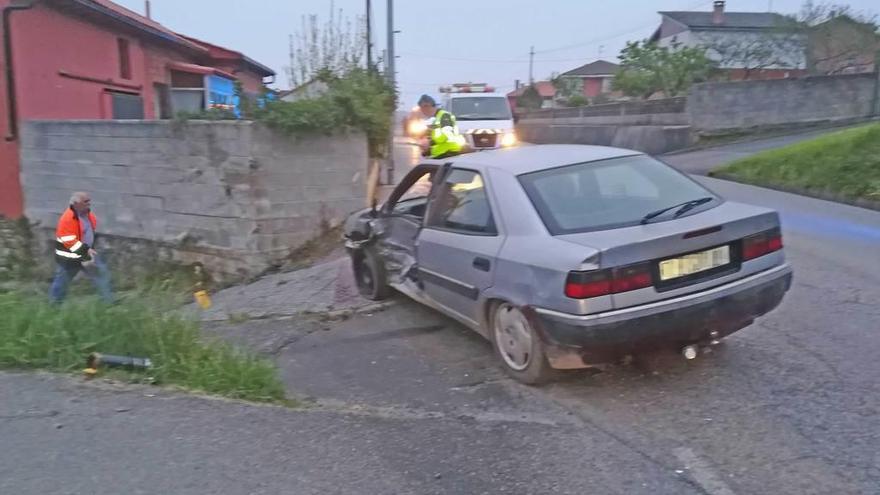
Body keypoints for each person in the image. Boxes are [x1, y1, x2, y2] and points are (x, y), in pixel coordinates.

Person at [49, 192, 113, 304]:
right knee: (62, 281)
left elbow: (89, 234)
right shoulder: (67, 219)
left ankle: (109, 303)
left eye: (89, 202)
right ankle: (54, 305)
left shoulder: (90, 217)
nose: (89, 205)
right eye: (85, 202)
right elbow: (69, 241)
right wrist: (86, 254)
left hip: (86, 253)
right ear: (75, 204)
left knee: (101, 274)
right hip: (69, 257)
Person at [416, 94, 466, 159]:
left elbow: (447, 135)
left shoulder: (444, 116)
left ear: (427, 106)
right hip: (441, 154)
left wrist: (430, 143)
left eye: (422, 110)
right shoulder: (436, 119)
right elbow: (434, 132)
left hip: (449, 154)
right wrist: (427, 148)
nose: (422, 112)